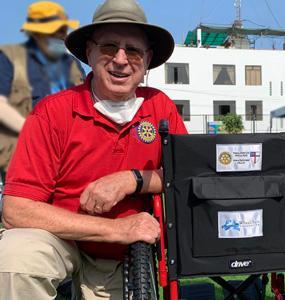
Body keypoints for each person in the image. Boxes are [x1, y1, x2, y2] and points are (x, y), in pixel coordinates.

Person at [0, 0, 186, 298]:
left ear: (148, 58)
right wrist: (118, 229)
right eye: (110, 47)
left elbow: (187, 176)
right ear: (90, 53)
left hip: (121, 256)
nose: (121, 60)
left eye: (133, 50)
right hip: (60, 239)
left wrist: (132, 179)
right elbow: (16, 210)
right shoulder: (53, 111)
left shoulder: (159, 106)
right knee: (15, 259)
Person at [0, 1, 85, 179]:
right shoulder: (9, 58)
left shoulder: (74, 65)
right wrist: (37, 133)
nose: (62, 37)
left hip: (72, 159)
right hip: (26, 157)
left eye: (63, 31)